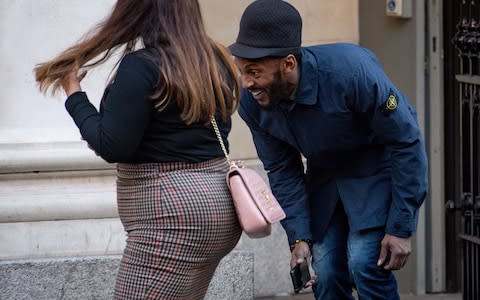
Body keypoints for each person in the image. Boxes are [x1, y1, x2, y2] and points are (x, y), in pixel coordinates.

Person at [34, 1, 242, 299]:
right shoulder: (215, 59)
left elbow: (112, 144)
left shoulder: (142, 66)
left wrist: (74, 94)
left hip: (171, 215)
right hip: (218, 203)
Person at [229, 0, 428, 299]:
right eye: (242, 70)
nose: (247, 82)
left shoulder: (353, 72)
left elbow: (406, 140)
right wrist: (298, 236)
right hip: (324, 181)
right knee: (326, 270)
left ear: (288, 64)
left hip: (376, 169)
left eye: (255, 71)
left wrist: (401, 227)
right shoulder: (253, 102)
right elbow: (283, 169)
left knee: (364, 263)